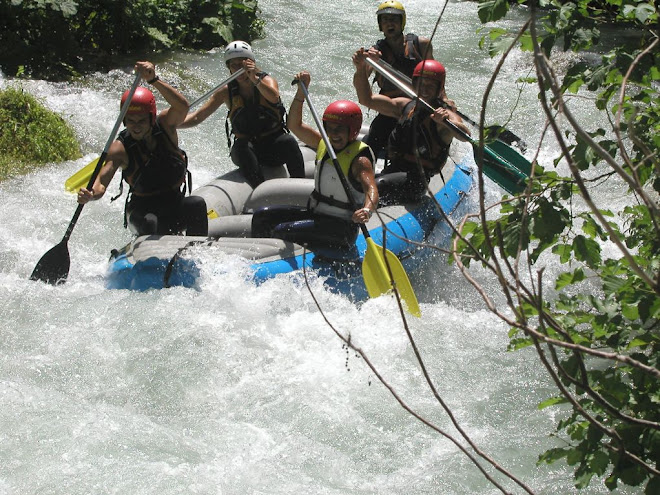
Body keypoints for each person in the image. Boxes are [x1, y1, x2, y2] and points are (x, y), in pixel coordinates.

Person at [78, 61, 208, 237]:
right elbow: (102, 182)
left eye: (141, 121)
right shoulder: (120, 148)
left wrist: (153, 79)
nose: (136, 127)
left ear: (151, 118)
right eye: (131, 121)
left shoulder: (165, 127)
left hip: (173, 202)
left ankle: (195, 252)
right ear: (124, 121)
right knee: (151, 222)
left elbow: (182, 107)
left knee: (197, 204)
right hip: (142, 212)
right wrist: (91, 194)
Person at [251, 71, 378, 249]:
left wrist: (366, 210)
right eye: (329, 128)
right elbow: (294, 125)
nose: (333, 134)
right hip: (317, 215)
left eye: (339, 129)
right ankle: (257, 260)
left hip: (341, 227)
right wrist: (301, 94)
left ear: (353, 130)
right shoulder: (323, 143)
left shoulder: (360, 159)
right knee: (261, 217)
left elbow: (372, 189)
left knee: (282, 230)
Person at [179, 40, 305, 188]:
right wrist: (171, 124)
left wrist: (254, 78)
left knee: (288, 141)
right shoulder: (226, 91)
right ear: (229, 68)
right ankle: (259, 189)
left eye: (242, 64)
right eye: (234, 65)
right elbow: (197, 117)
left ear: (251, 63)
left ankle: (300, 187)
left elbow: (273, 97)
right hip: (248, 150)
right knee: (241, 146)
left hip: (273, 146)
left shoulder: (266, 81)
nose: (239, 69)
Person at [353, 49, 470, 204]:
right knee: (359, 183)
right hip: (393, 169)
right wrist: (361, 68)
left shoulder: (444, 115)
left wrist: (446, 122)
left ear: (439, 88)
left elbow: (465, 135)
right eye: (421, 84)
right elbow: (366, 99)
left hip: (416, 181)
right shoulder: (405, 106)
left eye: (430, 85)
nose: (425, 89)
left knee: (378, 185)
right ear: (414, 84)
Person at [365, 1, 434, 159]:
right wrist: (363, 63)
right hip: (390, 108)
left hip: (417, 108)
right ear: (380, 25)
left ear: (402, 22)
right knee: (372, 142)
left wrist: (443, 100)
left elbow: (436, 77)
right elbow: (362, 79)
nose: (390, 24)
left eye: (394, 19)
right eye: (385, 20)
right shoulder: (375, 52)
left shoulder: (421, 45)